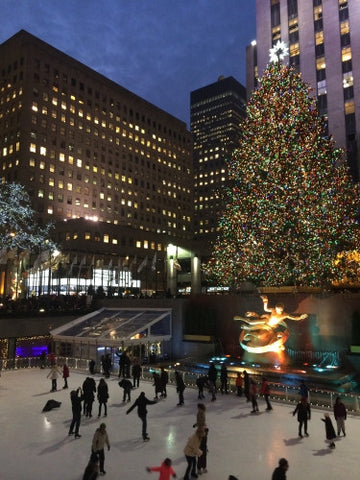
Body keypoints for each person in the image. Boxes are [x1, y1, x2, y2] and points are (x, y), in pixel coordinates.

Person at [234, 295, 307, 352]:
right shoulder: (273, 310)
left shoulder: (284, 315)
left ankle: (246, 326)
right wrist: (265, 301)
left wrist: (300, 317)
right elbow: (265, 309)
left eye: (280, 311)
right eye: (277, 310)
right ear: (275, 308)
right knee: (250, 322)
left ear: (282, 310)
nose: (278, 311)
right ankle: (242, 319)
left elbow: (293, 318)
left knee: (248, 327)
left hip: (269, 327)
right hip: (266, 322)